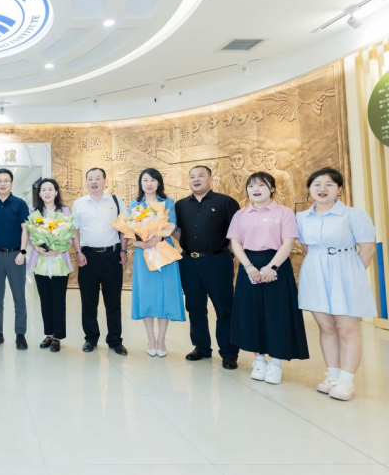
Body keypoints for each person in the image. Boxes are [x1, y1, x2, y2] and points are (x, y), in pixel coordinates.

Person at [296, 167, 377, 401]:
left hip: (346, 272)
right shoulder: (301, 218)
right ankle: (332, 375)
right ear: (310, 189)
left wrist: (352, 275)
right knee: (326, 328)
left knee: (346, 329)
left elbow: (368, 249)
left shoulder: (354, 215)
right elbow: (306, 247)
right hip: (314, 273)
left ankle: (346, 381)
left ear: (339, 188)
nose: (322, 189)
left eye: (329, 184)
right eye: (317, 184)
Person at [227, 172, 309, 385]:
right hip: (249, 266)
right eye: (251, 186)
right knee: (252, 313)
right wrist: (248, 267)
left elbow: (288, 242)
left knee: (277, 314)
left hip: (276, 265)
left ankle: (276, 363)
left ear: (272, 188)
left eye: (261, 185)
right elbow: (235, 242)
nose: (255, 189)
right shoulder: (241, 214)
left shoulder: (284, 212)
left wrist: (272, 267)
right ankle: (259, 360)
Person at [174, 165, 240, 370]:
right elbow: (177, 231)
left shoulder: (226, 202)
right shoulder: (181, 205)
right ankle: (201, 348)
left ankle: (229, 353)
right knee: (195, 307)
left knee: (224, 308)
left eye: (201, 176)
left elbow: (237, 233)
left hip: (217, 261)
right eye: (192, 176)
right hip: (189, 262)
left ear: (210, 179)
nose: (196, 179)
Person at [129, 168, 184, 358]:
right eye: (145, 180)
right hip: (143, 253)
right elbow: (130, 228)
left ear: (159, 182)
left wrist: (157, 238)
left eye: (153, 180)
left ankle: (161, 340)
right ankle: (151, 339)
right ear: (140, 183)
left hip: (163, 252)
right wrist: (136, 241)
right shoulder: (135, 203)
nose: (149, 184)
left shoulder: (168, 202)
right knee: (147, 295)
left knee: (164, 296)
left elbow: (172, 225)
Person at [72, 168, 128, 355]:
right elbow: (74, 231)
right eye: (90, 179)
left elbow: (124, 228)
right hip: (88, 256)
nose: (94, 182)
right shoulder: (79, 204)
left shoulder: (115, 201)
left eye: (97, 178)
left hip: (112, 256)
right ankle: (91, 338)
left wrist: (123, 250)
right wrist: (78, 252)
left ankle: (115, 340)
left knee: (113, 301)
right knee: (89, 301)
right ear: (86, 181)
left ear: (105, 181)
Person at [28, 178, 75, 353]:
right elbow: (30, 235)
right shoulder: (34, 212)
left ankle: (58, 337)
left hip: (59, 261)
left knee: (58, 301)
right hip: (40, 262)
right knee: (45, 301)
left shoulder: (65, 211)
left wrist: (58, 249)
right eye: (43, 190)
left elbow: (70, 235)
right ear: (39, 194)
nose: (47, 192)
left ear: (56, 192)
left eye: (50, 189)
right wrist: (37, 248)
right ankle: (48, 333)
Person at [0, 168, 30, 350]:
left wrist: (23, 252)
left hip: (15, 255)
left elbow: (25, 229)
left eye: (6, 180)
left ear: (11, 183)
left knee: (19, 296)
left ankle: (20, 334)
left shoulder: (20, 204)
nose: (2, 184)